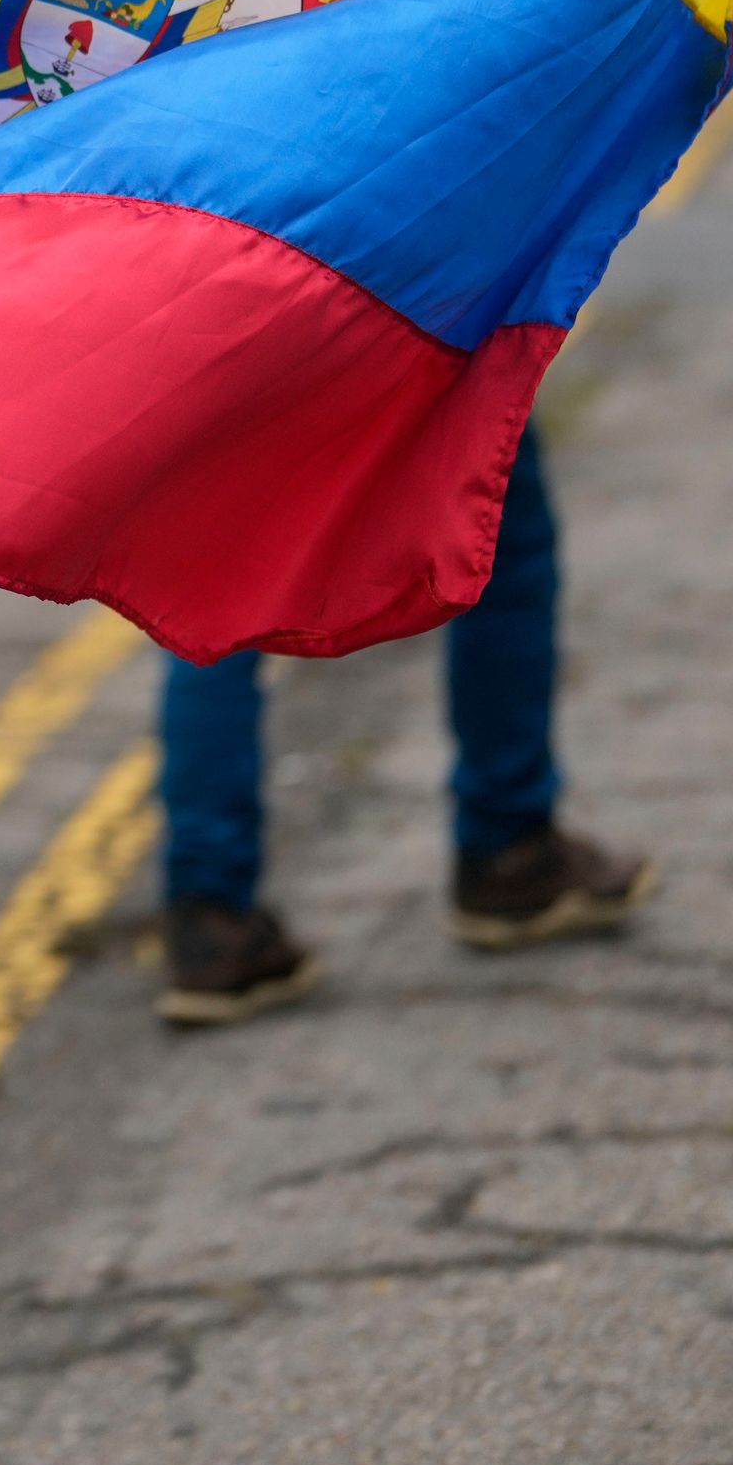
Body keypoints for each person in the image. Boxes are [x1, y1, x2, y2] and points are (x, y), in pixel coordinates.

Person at [155, 425, 655, 1027]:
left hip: (228, 345)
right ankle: (509, 848)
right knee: (493, 502)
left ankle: (211, 918)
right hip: (399, 329)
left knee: (218, 567)